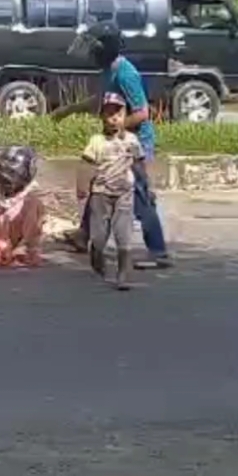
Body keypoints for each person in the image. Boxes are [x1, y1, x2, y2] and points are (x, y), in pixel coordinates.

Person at [53, 21, 171, 269]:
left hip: (133, 144)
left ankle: (158, 251)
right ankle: (84, 235)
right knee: (100, 184)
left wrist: (117, 132)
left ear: (104, 49)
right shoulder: (110, 70)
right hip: (116, 142)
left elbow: (141, 113)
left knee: (138, 195)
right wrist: (69, 110)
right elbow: (101, 99)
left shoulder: (126, 74)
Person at [77, 94, 143, 290]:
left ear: (125, 117)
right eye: (109, 113)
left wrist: (148, 187)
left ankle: (123, 275)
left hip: (125, 193)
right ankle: (96, 255)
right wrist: (81, 185)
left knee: (124, 235)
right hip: (100, 193)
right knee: (98, 237)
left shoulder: (132, 140)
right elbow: (86, 164)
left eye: (119, 113)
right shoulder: (96, 141)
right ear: (102, 117)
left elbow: (140, 164)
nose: (114, 118)